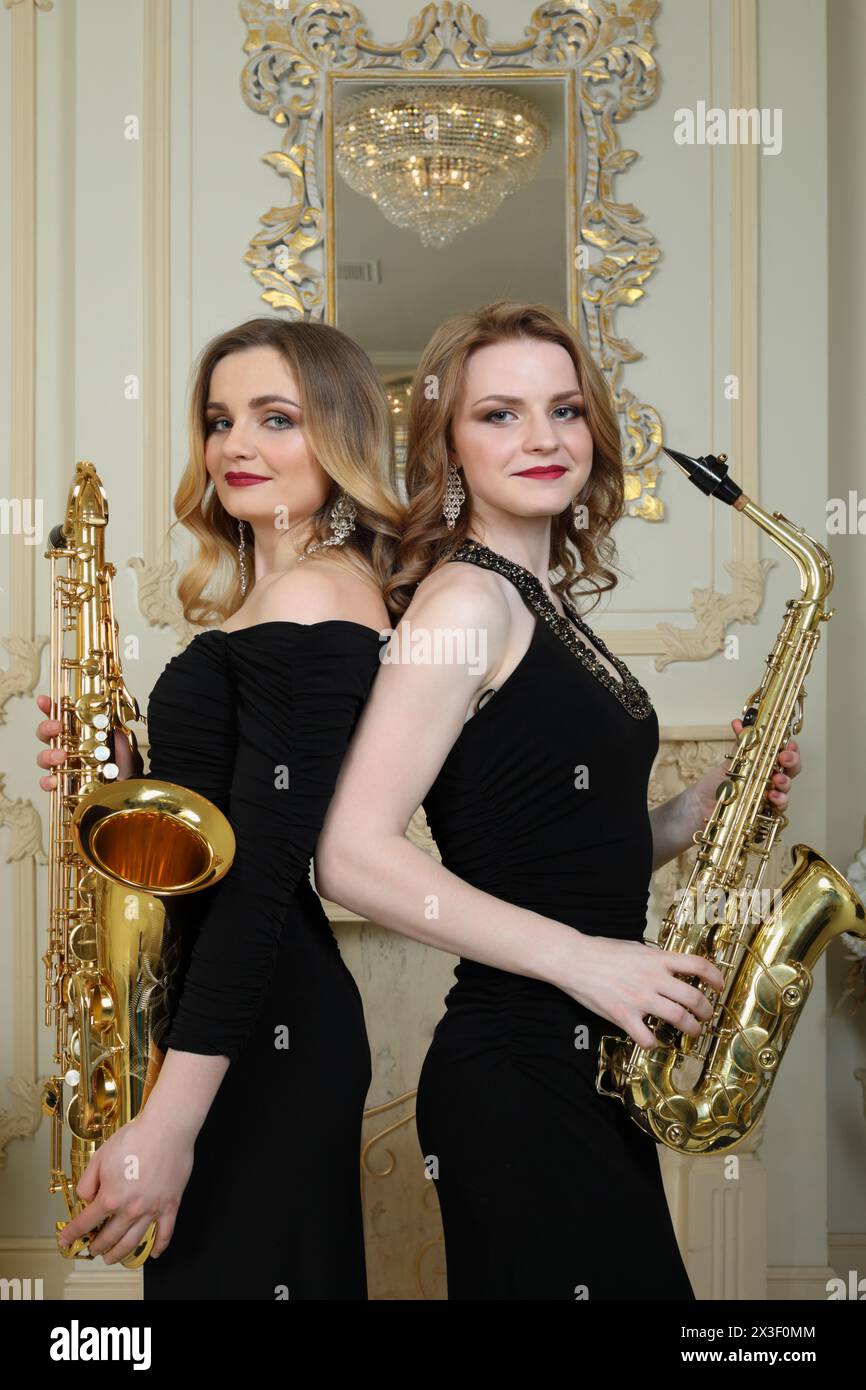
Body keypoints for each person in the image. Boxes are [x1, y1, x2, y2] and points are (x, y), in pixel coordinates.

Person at [315, 299, 801, 1300]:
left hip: (578, 1063)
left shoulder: (539, 599)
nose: (541, 437)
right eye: (498, 414)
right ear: (446, 445)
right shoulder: (463, 601)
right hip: (519, 1070)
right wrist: (586, 961)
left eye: (564, 409)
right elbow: (351, 855)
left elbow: (539, 843)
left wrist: (691, 815)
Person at [35, 315, 402, 1299]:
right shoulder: (274, 595)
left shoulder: (318, 598)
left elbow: (262, 877)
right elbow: (228, 823)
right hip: (238, 1015)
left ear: (339, 437)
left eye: (275, 418)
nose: (236, 444)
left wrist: (168, 1121)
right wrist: (124, 771)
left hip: (260, 1020)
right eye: (219, 418)